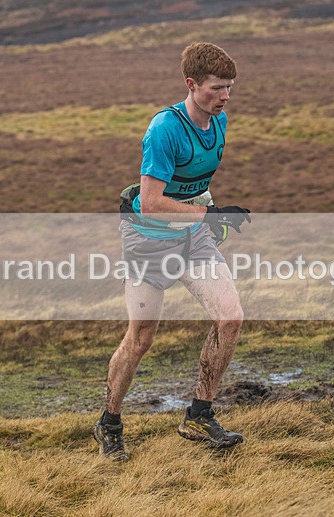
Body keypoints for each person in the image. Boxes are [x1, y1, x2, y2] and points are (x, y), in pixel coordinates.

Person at [93, 42, 251, 461]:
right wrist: (208, 216)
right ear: (191, 84)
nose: (226, 96)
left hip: (193, 238)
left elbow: (196, 183)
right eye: (217, 88)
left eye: (230, 87)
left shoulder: (219, 122)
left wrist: (212, 213)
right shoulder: (164, 129)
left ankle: (199, 414)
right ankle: (109, 422)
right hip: (148, 240)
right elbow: (150, 203)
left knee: (230, 316)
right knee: (141, 337)